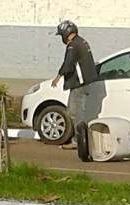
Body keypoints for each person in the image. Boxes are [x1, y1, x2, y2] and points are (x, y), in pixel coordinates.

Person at [51, 20, 98, 149]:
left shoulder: (73, 45)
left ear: (67, 33)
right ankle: (81, 140)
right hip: (85, 82)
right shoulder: (82, 41)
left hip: (79, 83)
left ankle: (78, 141)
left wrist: (58, 77)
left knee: (75, 112)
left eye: (61, 35)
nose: (62, 38)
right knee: (78, 111)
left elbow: (68, 63)